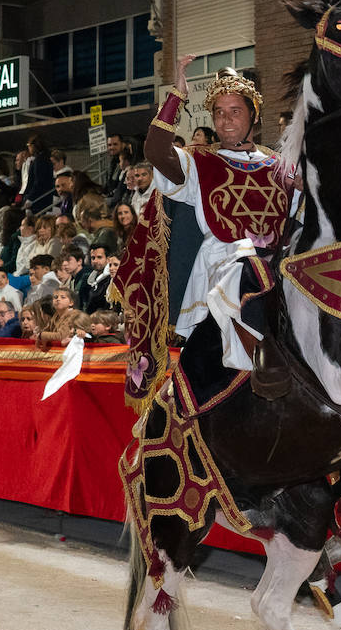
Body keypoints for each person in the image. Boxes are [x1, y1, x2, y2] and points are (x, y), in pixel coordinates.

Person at [126, 61, 294, 391]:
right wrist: (177, 96)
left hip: (278, 261)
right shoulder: (199, 160)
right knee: (243, 266)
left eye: (234, 111)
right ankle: (263, 358)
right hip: (224, 263)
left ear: (254, 116)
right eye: (218, 112)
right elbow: (156, 151)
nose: (225, 119)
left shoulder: (281, 165)